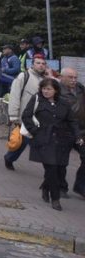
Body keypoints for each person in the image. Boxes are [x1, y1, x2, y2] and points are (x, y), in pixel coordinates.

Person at [22, 78, 83, 210]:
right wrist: (35, 131)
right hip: (44, 140)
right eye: (44, 88)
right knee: (51, 168)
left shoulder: (64, 103)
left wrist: (77, 136)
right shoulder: (37, 99)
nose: (46, 91)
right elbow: (26, 116)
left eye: (49, 89)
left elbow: (72, 121)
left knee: (60, 169)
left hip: (62, 141)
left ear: (56, 90)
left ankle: (45, 186)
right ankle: (55, 199)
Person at [5, 53, 51, 170]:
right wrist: (14, 115)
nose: (41, 66)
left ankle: (50, 168)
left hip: (40, 118)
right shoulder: (24, 76)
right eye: (38, 63)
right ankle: (9, 158)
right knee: (22, 142)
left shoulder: (46, 80)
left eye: (43, 63)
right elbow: (15, 96)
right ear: (32, 64)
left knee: (42, 144)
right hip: (25, 117)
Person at [59, 67, 85, 198]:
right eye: (70, 77)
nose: (74, 80)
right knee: (62, 161)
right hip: (64, 131)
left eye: (75, 77)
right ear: (62, 77)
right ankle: (61, 186)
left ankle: (81, 186)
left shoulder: (80, 88)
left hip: (80, 132)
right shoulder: (56, 90)